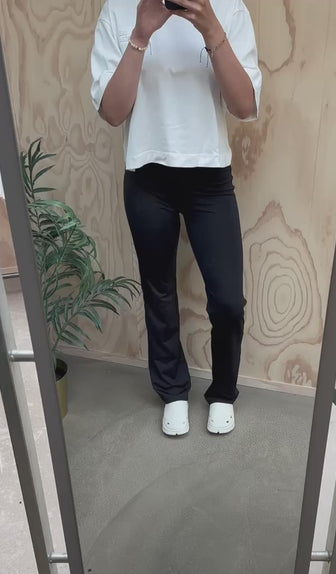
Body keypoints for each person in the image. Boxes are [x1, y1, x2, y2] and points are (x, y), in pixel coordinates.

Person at [90, 0, 262, 436]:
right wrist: (140, 35)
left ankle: (223, 391)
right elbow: (112, 113)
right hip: (147, 174)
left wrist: (211, 29)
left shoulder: (228, 8)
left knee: (227, 300)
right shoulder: (118, 10)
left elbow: (244, 106)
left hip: (210, 177)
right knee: (159, 292)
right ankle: (172, 391)